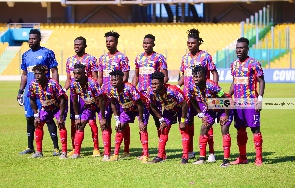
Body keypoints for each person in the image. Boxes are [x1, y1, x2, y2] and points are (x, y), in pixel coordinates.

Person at [178, 28, 219, 161]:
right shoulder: (184, 58)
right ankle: (189, 151)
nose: (190, 45)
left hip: (203, 96)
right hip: (188, 96)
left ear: (198, 43)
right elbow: (183, 76)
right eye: (188, 43)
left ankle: (211, 152)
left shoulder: (205, 56)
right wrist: (177, 87)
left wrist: (214, 89)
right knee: (188, 123)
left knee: (207, 122)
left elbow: (214, 72)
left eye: (192, 43)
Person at [17, 29, 60, 156]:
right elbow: (24, 75)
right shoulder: (25, 55)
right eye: (30, 38)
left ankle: (56, 148)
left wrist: (55, 88)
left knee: (48, 119)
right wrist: (20, 91)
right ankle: (30, 147)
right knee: (30, 118)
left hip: (44, 92)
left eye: (34, 38)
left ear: (39, 39)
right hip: (30, 93)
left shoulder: (47, 53)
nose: (31, 41)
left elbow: (54, 71)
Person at [229, 37, 265, 166]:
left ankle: (259, 158)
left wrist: (260, 99)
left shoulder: (254, 63)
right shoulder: (234, 64)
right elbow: (234, 82)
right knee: (240, 129)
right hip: (238, 103)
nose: (239, 50)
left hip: (251, 101)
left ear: (247, 49)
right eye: (237, 48)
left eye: (242, 48)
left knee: (255, 129)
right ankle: (242, 157)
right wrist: (228, 96)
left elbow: (261, 81)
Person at [132, 34, 169, 160]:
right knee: (142, 123)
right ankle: (145, 153)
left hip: (155, 97)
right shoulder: (139, 58)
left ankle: (162, 153)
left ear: (153, 44)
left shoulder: (159, 57)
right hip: (142, 97)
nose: (146, 45)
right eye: (144, 43)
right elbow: (136, 76)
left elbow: (165, 76)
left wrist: (157, 91)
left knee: (159, 123)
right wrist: (133, 89)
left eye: (148, 43)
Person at [188, 66, 233, 167]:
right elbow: (192, 99)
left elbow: (226, 99)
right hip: (211, 107)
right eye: (194, 76)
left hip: (224, 106)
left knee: (224, 128)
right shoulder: (192, 86)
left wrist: (226, 115)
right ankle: (201, 158)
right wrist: (200, 112)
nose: (196, 79)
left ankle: (226, 160)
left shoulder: (212, 86)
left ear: (204, 76)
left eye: (198, 77)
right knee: (204, 128)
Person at [63, 36, 100, 157]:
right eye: (75, 45)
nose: (76, 46)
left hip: (88, 94)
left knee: (91, 121)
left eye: (79, 44)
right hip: (75, 94)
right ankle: (75, 147)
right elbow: (69, 80)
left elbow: (95, 78)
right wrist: (63, 90)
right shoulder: (69, 60)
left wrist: (94, 92)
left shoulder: (91, 59)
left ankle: (96, 148)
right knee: (75, 121)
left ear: (85, 45)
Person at [98, 31, 130, 160]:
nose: (108, 43)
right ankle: (107, 152)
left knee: (122, 123)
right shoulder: (102, 58)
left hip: (119, 97)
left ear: (116, 42)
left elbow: (126, 76)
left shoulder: (122, 58)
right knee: (105, 122)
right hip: (105, 96)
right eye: (106, 41)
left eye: (111, 41)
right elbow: (100, 77)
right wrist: (98, 91)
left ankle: (125, 150)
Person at [147, 72, 189, 164]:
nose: (153, 86)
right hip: (168, 110)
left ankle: (185, 156)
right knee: (163, 129)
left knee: (183, 129)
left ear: (162, 83)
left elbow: (185, 104)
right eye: (152, 84)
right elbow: (152, 106)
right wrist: (161, 120)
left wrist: (182, 120)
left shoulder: (172, 91)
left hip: (181, 110)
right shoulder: (151, 92)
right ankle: (160, 156)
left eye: (156, 84)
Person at [108, 70, 150, 163]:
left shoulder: (129, 88)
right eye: (112, 80)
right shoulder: (111, 90)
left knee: (143, 129)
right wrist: (117, 119)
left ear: (122, 79)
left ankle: (145, 155)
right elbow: (113, 104)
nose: (113, 82)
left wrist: (140, 121)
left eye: (116, 80)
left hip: (141, 108)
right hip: (127, 109)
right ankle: (115, 155)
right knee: (120, 128)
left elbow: (139, 104)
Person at [27, 65, 68, 158]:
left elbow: (62, 99)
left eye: (39, 74)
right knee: (38, 123)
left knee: (61, 124)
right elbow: (32, 99)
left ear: (45, 73)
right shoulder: (33, 84)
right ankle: (38, 152)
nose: (37, 76)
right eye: (35, 74)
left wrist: (61, 116)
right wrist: (36, 114)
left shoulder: (53, 84)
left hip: (58, 107)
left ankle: (64, 152)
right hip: (45, 107)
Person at [69, 64, 107, 159]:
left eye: (78, 73)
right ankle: (76, 153)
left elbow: (101, 100)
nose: (76, 76)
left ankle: (106, 153)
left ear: (84, 73)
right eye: (74, 73)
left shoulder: (92, 83)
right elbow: (74, 101)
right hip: (89, 106)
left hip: (100, 106)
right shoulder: (74, 84)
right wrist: (77, 116)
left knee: (103, 126)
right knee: (80, 124)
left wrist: (102, 117)